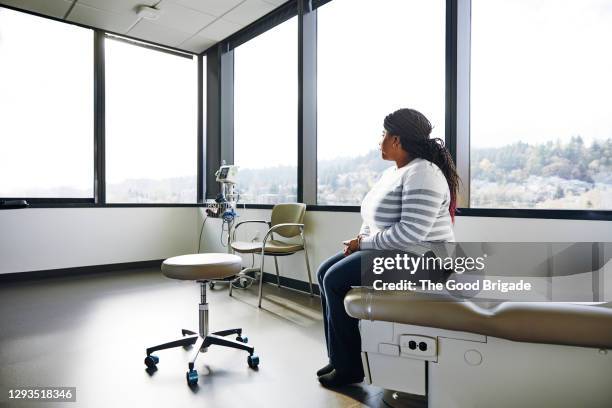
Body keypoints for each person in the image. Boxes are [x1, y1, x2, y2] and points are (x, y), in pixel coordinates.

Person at [316, 108, 460, 387]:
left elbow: (411, 233)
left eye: (382, 134)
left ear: (396, 139)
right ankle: (338, 358)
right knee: (324, 272)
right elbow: (371, 220)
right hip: (398, 253)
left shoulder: (424, 173)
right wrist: (360, 241)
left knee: (334, 280)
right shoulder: (393, 174)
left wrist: (364, 245)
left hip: (427, 261)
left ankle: (348, 369)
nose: (378, 140)